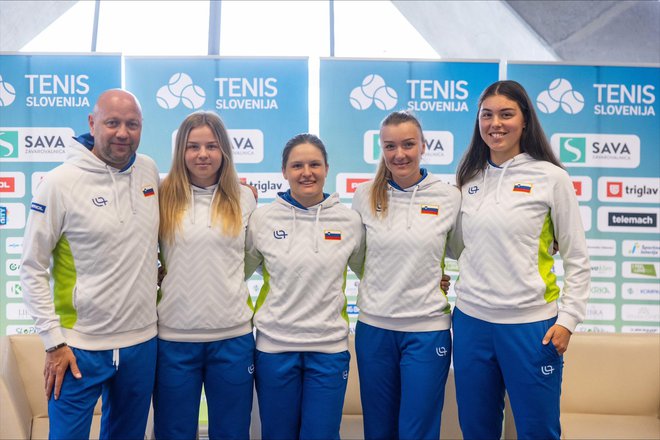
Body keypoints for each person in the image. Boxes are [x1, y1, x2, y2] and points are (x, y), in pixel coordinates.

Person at [451, 80, 590, 440]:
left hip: (532, 327)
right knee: (476, 430)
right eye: (487, 115)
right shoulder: (466, 178)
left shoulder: (551, 178)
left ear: (525, 120)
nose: (495, 123)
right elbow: (454, 245)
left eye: (506, 114)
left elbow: (576, 255)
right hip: (471, 323)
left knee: (538, 431)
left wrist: (569, 319)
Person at [20, 89, 160, 440]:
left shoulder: (148, 171)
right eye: (112, 123)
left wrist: (237, 187)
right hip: (77, 348)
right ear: (92, 123)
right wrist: (53, 342)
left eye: (133, 124)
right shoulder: (59, 183)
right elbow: (32, 266)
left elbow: (187, 195)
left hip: (141, 343)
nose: (123, 133)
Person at [244, 133, 365, 440]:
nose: (306, 172)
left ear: (327, 168)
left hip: (328, 349)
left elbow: (372, 272)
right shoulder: (262, 220)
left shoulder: (349, 221)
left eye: (314, 164)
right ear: (284, 171)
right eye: (297, 165)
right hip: (274, 348)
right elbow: (236, 271)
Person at [351, 110, 461, 440]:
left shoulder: (448, 197)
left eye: (408, 144)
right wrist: (389, 276)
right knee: (379, 429)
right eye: (390, 146)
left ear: (424, 146)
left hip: (426, 330)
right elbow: (357, 258)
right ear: (381, 149)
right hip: (375, 329)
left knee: (418, 430)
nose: (399, 154)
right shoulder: (364, 195)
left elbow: (464, 249)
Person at [154, 111, 257, 439]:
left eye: (211, 146)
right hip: (174, 337)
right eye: (193, 146)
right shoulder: (160, 195)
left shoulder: (245, 197)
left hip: (232, 337)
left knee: (232, 432)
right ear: (180, 151)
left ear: (224, 150)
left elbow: (251, 258)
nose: (202, 154)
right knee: (174, 432)